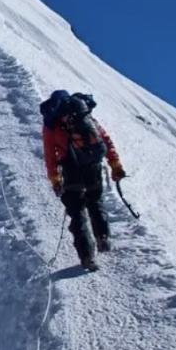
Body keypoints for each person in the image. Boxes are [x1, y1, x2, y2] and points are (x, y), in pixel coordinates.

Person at [40, 91, 126, 271]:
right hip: (93, 167)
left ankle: (87, 256)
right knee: (95, 201)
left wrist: (55, 179)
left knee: (77, 211)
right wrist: (115, 164)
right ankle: (103, 238)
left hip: (71, 171)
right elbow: (105, 140)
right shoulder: (84, 114)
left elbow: (50, 156)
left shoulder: (51, 124)